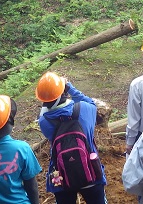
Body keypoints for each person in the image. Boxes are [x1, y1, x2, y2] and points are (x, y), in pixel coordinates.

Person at [36, 72, 106, 204]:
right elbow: (91, 102)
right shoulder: (86, 109)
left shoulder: (44, 122)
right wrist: (70, 88)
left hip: (61, 176)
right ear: (63, 91)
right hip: (91, 171)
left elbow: (45, 112)